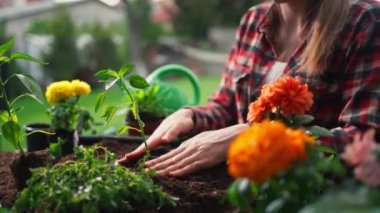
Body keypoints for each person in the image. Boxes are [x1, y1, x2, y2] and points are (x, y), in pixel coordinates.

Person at [118, 0, 380, 177]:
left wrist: (255, 137)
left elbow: (366, 140)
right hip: (242, 185)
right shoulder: (253, 20)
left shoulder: (364, 21)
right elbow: (226, 105)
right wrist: (191, 116)